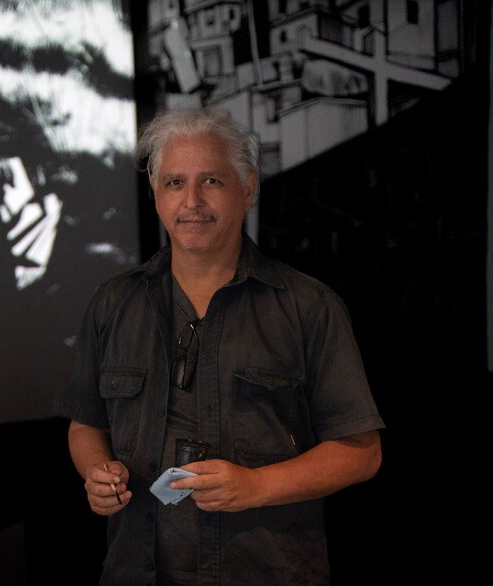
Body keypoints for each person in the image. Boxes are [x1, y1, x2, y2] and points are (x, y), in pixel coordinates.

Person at [54, 108, 384, 585]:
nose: (191, 201)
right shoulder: (113, 303)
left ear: (247, 188)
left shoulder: (308, 307)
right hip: (135, 572)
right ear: (155, 193)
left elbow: (362, 452)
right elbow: (85, 423)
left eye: (211, 181)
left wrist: (256, 486)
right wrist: (95, 472)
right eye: (174, 183)